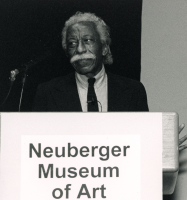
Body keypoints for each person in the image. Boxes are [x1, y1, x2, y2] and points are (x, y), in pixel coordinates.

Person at [33, 12, 186, 150]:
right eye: (72, 43)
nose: (79, 49)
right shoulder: (47, 92)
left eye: (87, 40)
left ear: (104, 48)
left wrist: (159, 151)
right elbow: (37, 149)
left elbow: (140, 146)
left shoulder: (133, 91)